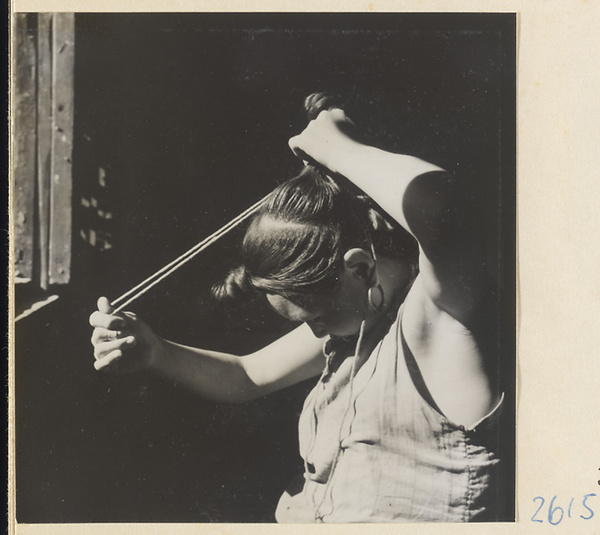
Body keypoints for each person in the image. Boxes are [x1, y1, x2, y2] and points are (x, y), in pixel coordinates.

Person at [89, 95, 510, 522]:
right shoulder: (359, 321)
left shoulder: (442, 322)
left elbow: (450, 216)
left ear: (359, 269)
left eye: (317, 319)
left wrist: (337, 149)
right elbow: (246, 375)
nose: (318, 334)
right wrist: (156, 352)